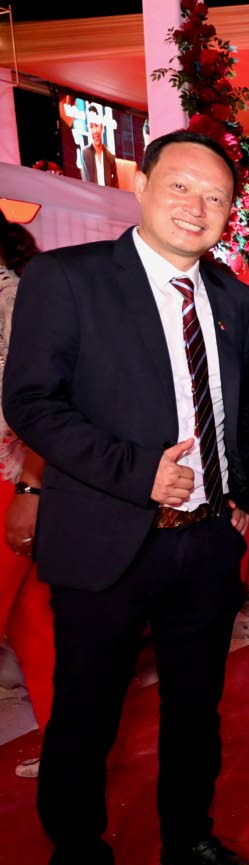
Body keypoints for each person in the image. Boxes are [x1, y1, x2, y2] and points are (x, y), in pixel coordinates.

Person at [4, 130, 249, 865]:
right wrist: (133, 471)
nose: (198, 207)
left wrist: (236, 504)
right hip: (105, 541)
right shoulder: (68, 279)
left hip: (205, 545)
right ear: (143, 185)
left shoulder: (233, 298)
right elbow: (30, 402)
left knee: (196, 711)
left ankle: (188, 839)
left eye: (216, 197)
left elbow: (247, 411)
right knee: (85, 722)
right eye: (182, 186)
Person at [0, 215, 53, 779]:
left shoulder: (16, 299)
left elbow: (44, 405)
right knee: (33, 622)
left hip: (12, 479)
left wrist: (30, 489)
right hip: (18, 481)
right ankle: (69, 749)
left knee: (31, 618)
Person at [79, 108, 118, 188]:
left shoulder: (110, 157)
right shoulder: (85, 153)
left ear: (102, 127)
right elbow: (87, 183)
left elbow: (115, 185)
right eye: (91, 127)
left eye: (96, 125)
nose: (95, 131)